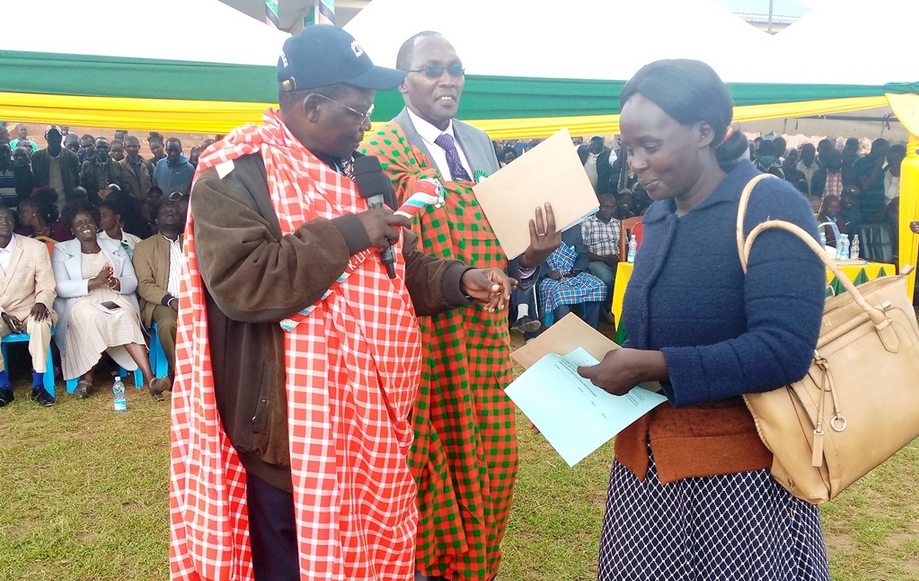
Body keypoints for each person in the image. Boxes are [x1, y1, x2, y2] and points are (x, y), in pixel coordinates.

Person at [168, 25, 515, 581]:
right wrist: (350, 232)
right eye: (358, 112)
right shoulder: (236, 174)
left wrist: (458, 280)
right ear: (311, 106)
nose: (367, 126)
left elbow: (397, 268)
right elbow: (244, 283)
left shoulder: (363, 171)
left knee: (374, 557)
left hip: (374, 421)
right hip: (288, 434)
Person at [575, 59, 828, 581]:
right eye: (629, 148)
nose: (635, 163)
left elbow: (784, 350)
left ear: (704, 131)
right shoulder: (658, 215)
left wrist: (653, 364)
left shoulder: (769, 204)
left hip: (739, 486)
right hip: (643, 479)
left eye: (650, 145)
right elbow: (647, 337)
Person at [361, 30, 560, 581]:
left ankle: (474, 568)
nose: (447, 79)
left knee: (494, 459)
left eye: (456, 68)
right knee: (427, 464)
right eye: (432, 68)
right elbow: (384, 258)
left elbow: (503, 251)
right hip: (423, 337)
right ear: (403, 82)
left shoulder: (479, 143)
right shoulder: (378, 150)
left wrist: (530, 258)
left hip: (486, 336)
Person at [51, 199, 168, 401]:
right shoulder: (62, 249)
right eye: (79, 223)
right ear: (71, 228)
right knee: (92, 317)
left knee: (124, 316)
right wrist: (94, 282)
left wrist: (115, 283)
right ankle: (87, 377)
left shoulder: (114, 246)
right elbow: (60, 287)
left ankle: (151, 380)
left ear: (96, 223)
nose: (85, 225)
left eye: (89, 221)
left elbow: (132, 281)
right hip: (80, 300)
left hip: (114, 296)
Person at [0, 205, 57, 407]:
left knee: (41, 324)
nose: (4, 222)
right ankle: (3, 386)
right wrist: (3, 314)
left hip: (31, 308)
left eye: (8, 218)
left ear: (14, 221)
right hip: (2, 313)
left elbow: (47, 284)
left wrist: (41, 302)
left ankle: (38, 386)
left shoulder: (35, 247)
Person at [132, 201, 184, 378]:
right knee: (168, 324)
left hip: (194, 299)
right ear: (156, 219)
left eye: (174, 211)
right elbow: (144, 284)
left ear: (182, 219)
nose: (170, 213)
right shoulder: (143, 247)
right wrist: (171, 300)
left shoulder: (194, 243)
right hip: (163, 302)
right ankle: (181, 372)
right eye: (165, 211)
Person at [581, 193, 620, 325]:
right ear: (599, 206)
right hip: (595, 261)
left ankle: (620, 310)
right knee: (607, 279)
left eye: (612, 207)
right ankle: (607, 308)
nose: (609, 210)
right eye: (605, 207)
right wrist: (604, 259)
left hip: (617, 260)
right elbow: (583, 251)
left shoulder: (618, 224)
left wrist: (618, 259)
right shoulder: (587, 223)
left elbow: (625, 245)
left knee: (626, 278)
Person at [31, 125, 81, 208]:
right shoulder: (37, 157)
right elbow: (36, 180)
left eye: (57, 136)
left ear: (61, 138)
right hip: (46, 203)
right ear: (46, 137)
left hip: (66, 201)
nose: (54, 139)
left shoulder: (72, 157)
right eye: (50, 136)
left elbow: (76, 181)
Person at [16, 187, 73, 252]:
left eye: (23, 212)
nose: (20, 216)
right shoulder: (22, 234)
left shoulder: (61, 229)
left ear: (34, 211)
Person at [852, 137, 890, 218]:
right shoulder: (861, 163)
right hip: (865, 207)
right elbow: (865, 185)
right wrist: (877, 166)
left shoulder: (883, 166)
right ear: (876, 148)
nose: (886, 153)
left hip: (879, 208)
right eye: (884, 150)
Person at [118, 135, 155, 199]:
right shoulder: (120, 166)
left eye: (134, 146)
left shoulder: (148, 165)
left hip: (147, 203)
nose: (132, 149)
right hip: (130, 203)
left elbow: (154, 185)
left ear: (139, 147)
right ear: (124, 148)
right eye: (129, 146)